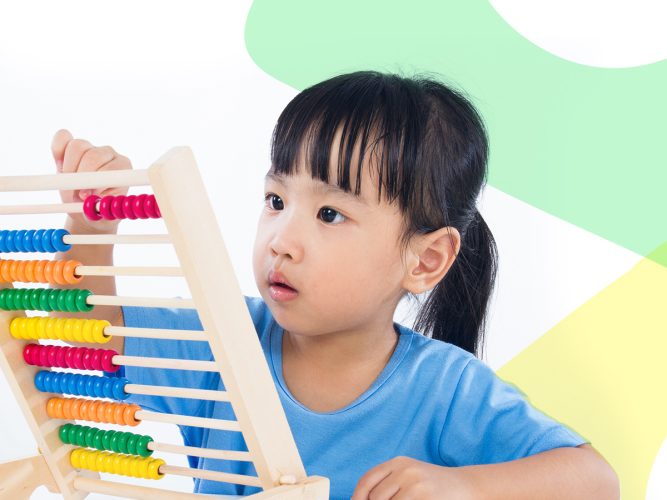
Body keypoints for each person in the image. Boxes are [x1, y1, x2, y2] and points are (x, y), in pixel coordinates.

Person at [51, 71, 619, 499]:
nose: (282, 239)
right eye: (276, 201)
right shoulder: (223, 342)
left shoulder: (444, 390)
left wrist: (465, 486)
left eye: (329, 215)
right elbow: (88, 343)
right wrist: (90, 235)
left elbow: (595, 480)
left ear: (424, 260)